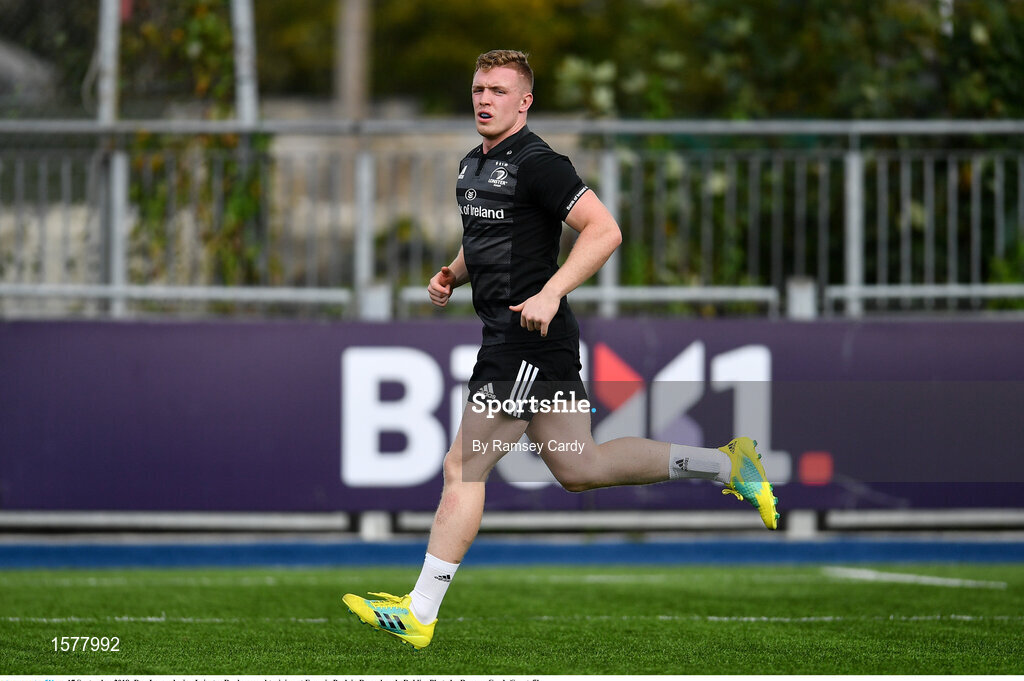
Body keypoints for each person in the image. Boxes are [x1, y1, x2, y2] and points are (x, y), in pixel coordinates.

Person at [342, 49, 778, 650]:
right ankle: (730, 464)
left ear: (524, 102)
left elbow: (606, 230)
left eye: (498, 90)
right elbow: (488, 236)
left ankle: (420, 612)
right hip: (518, 339)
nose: (484, 99)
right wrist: (451, 272)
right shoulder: (474, 164)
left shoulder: (540, 163)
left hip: (526, 338)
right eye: (477, 89)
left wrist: (550, 292)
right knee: (581, 467)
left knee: (462, 468)